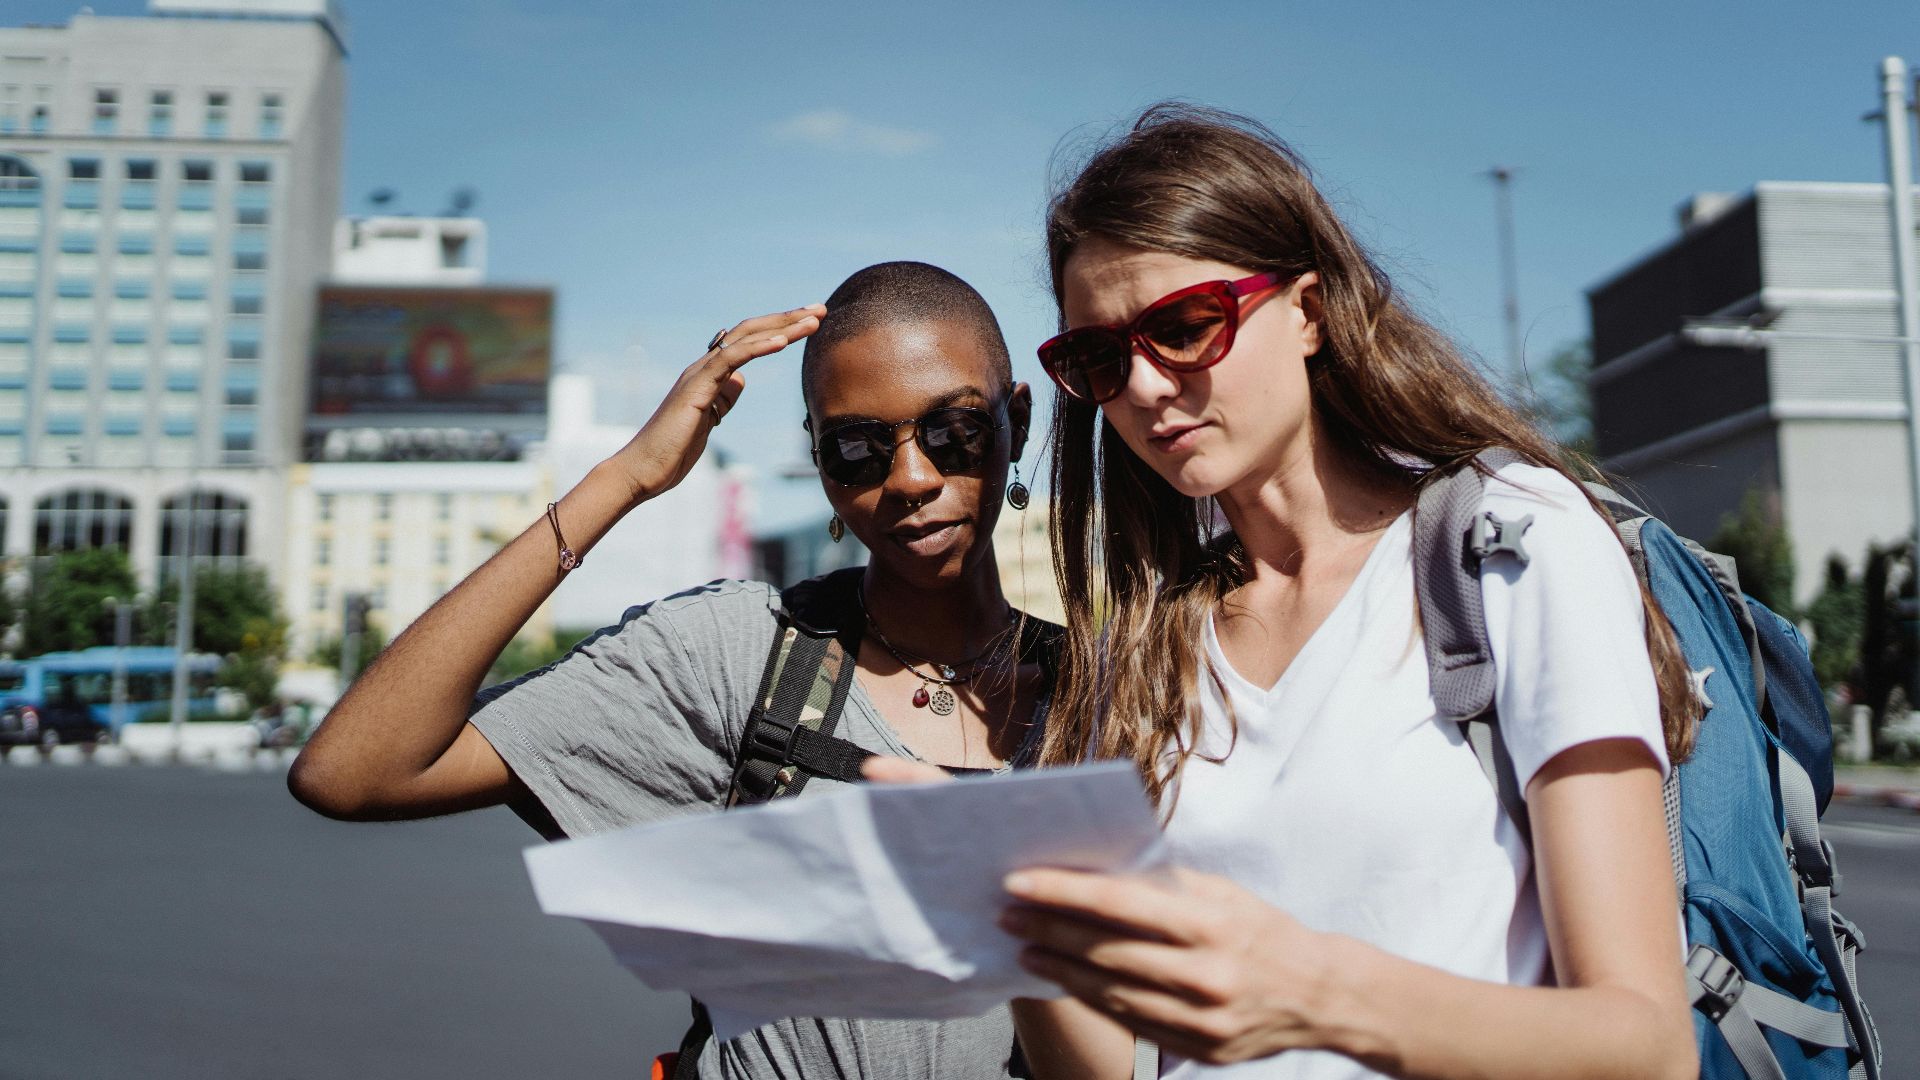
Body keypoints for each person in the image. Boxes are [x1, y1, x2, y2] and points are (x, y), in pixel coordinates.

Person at [992, 105, 1701, 1079]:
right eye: (1100, 359)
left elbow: (1647, 1046)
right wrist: (1004, 918)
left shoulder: (1508, 540)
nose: (1147, 388)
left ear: (1309, 312)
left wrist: (1314, 996)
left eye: (1186, 328)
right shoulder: (1148, 639)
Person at [289, 261, 1059, 1080]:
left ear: (1016, 418)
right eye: (858, 448)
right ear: (822, 464)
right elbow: (352, 772)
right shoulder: (741, 653)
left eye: (954, 431)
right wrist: (625, 479)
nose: (911, 478)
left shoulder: (1119, 694)